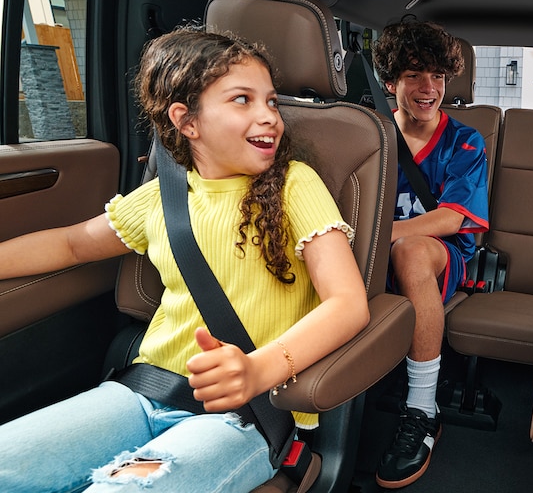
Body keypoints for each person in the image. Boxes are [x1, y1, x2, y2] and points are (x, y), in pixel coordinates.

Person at [0, 27, 370, 492]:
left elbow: (347, 302)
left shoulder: (296, 183)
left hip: (246, 413)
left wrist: (259, 369)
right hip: (140, 391)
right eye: (242, 100)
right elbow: (71, 244)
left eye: (271, 101)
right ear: (186, 121)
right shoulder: (160, 198)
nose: (269, 117)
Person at [371, 20, 489, 489]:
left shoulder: (465, 141)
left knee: (412, 251)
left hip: (441, 257)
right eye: (414, 75)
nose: (429, 88)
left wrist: (380, 236)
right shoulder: (371, 136)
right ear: (390, 82)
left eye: (438, 76)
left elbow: (452, 219)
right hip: (371, 256)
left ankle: (422, 410)